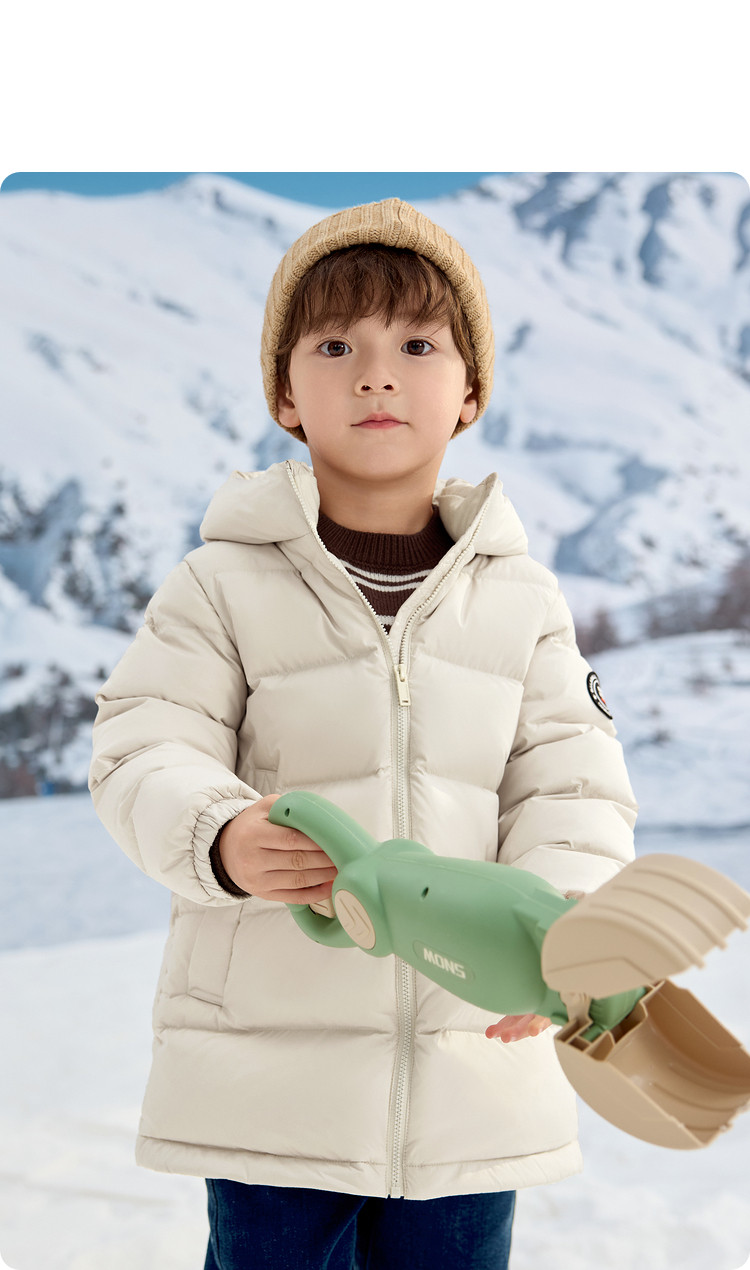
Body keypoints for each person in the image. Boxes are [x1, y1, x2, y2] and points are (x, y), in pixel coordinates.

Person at [89, 197, 638, 1270]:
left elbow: (574, 785)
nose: (376, 376)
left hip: (473, 1077)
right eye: (336, 346)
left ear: (469, 393)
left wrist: (564, 923)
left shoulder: (521, 599)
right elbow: (142, 747)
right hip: (270, 1088)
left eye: (417, 346)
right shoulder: (221, 584)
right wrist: (219, 834)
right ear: (286, 395)